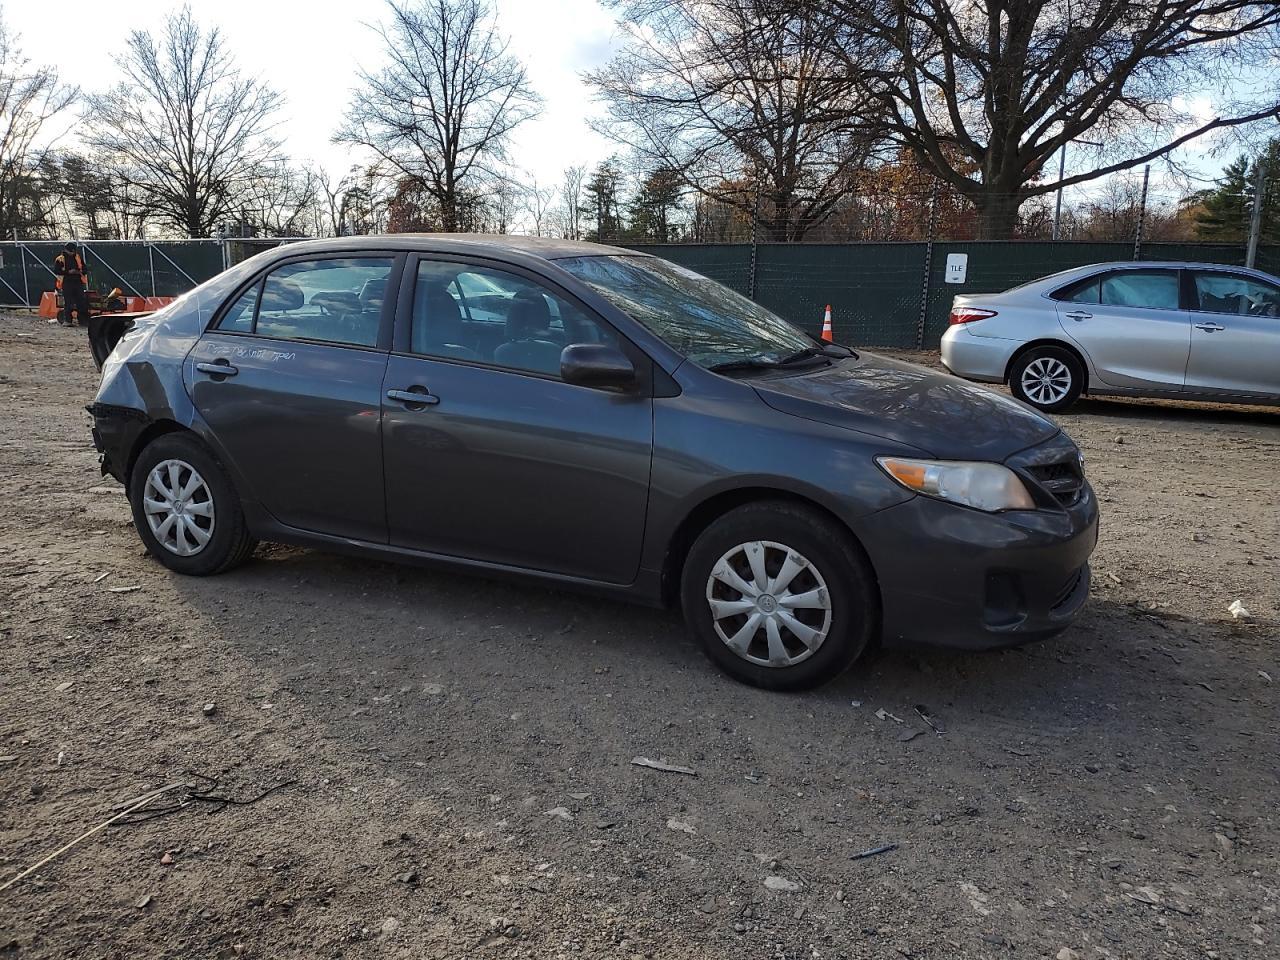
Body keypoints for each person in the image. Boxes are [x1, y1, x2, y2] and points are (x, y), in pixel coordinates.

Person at [53, 242, 91, 327]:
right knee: (68, 302)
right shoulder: (60, 259)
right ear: (66, 250)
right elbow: (56, 271)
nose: (72, 252)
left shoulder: (78, 257)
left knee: (81, 301)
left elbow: (84, 269)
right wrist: (68, 272)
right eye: (71, 251)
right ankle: (68, 320)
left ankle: (82, 320)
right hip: (66, 282)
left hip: (78, 282)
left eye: (73, 251)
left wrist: (79, 272)